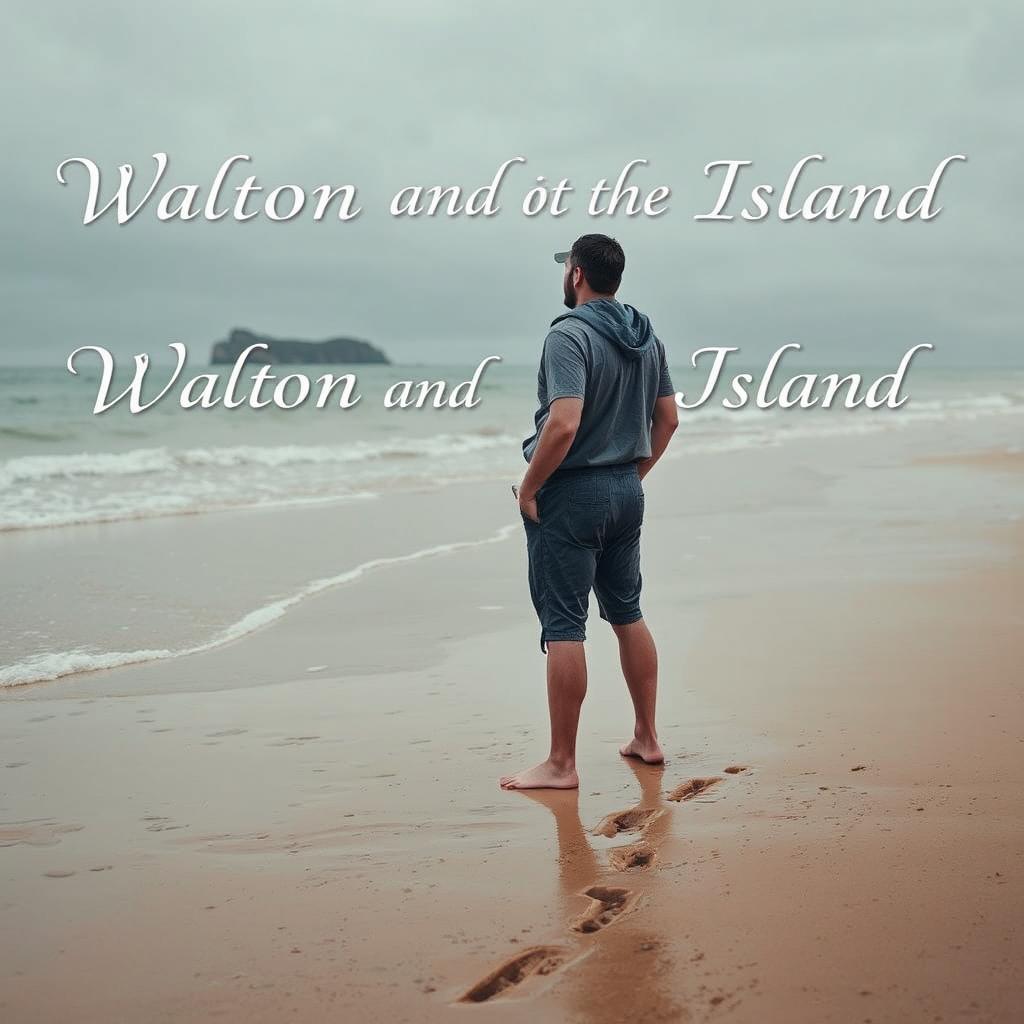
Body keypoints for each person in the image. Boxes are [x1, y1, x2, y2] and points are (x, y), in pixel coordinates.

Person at [499, 234, 679, 791]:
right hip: (627, 489)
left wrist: (530, 489)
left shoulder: (569, 336)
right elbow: (668, 420)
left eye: (566, 269)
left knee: (564, 626)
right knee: (628, 613)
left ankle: (561, 764)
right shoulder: (646, 338)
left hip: (573, 494)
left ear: (577, 275)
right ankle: (647, 737)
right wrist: (631, 478)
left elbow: (564, 422)